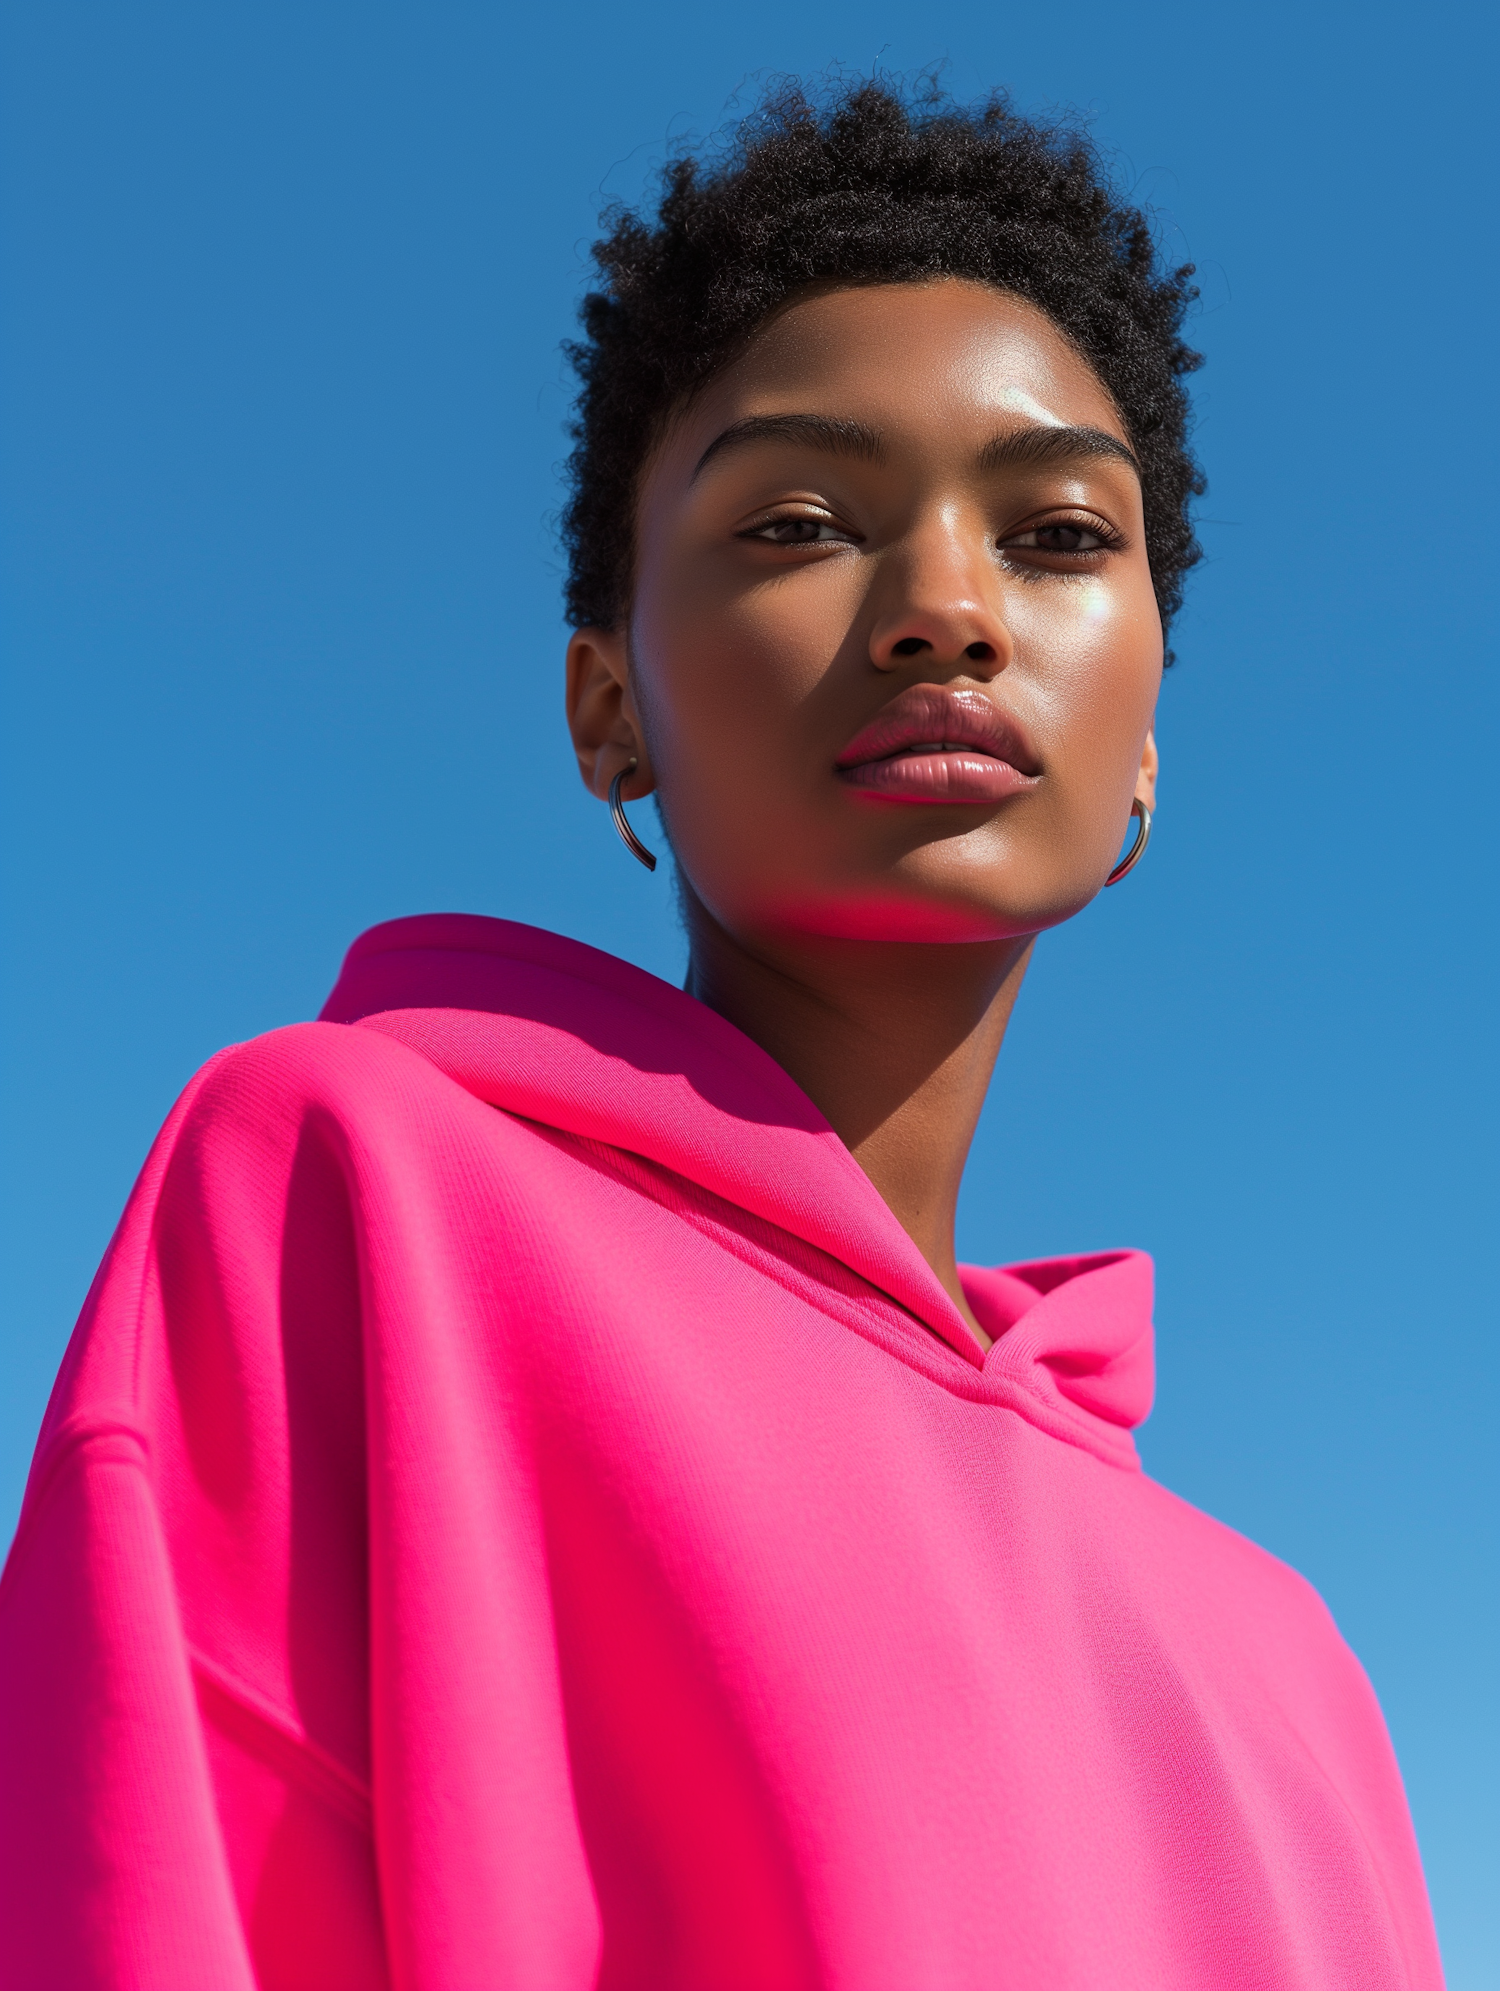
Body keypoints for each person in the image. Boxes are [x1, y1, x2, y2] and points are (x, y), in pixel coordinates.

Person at [0, 82, 1443, 1991]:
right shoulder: (344, 1197)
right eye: (798, 519)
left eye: (1061, 535)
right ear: (610, 709)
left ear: (1152, 728)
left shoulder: (1295, 1667)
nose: (947, 607)